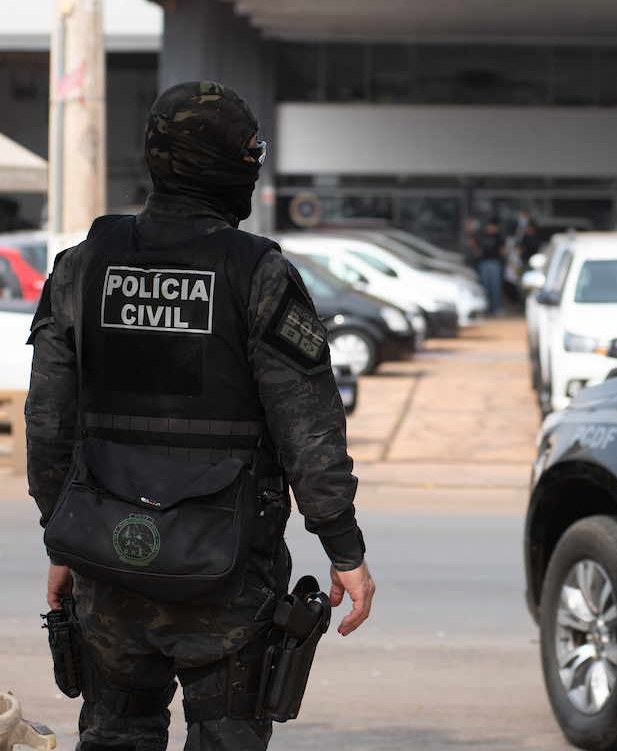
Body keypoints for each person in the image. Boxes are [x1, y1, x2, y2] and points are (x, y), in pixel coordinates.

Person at [26, 81, 376, 751]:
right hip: (227, 577)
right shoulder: (257, 274)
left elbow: (48, 427)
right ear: (226, 166)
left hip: (107, 557)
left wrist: (61, 537)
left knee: (114, 735)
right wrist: (345, 549)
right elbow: (309, 433)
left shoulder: (83, 266)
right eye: (252, 154)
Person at [475, 218, 504, 315]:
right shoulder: (481, 236)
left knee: (496, 287)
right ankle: (483, 308)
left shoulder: (499, 237)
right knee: (484, 287)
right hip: (484, 263)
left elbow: (503, 250)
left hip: (495, 263)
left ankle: (495, 308)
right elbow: (477, 248)